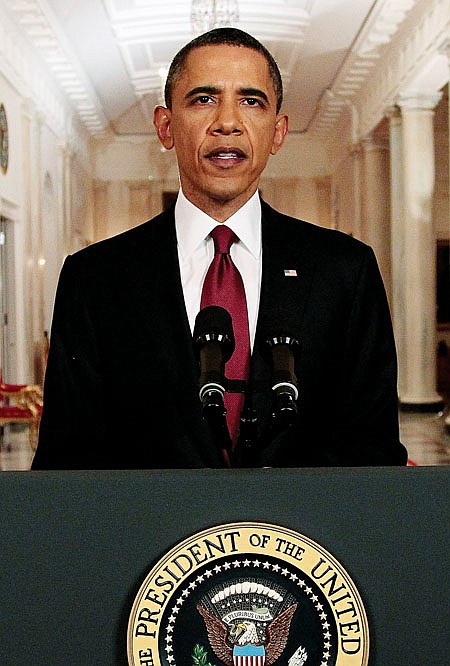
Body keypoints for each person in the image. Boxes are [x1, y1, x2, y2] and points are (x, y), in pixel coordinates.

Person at [32, 27, 407, 469]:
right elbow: (66, 463)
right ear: (166, 126)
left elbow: (373, 454)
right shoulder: (94, 278)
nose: (227, 122)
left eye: (251, 101)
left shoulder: (346, 271)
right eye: (204, 99)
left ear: (278, 133)